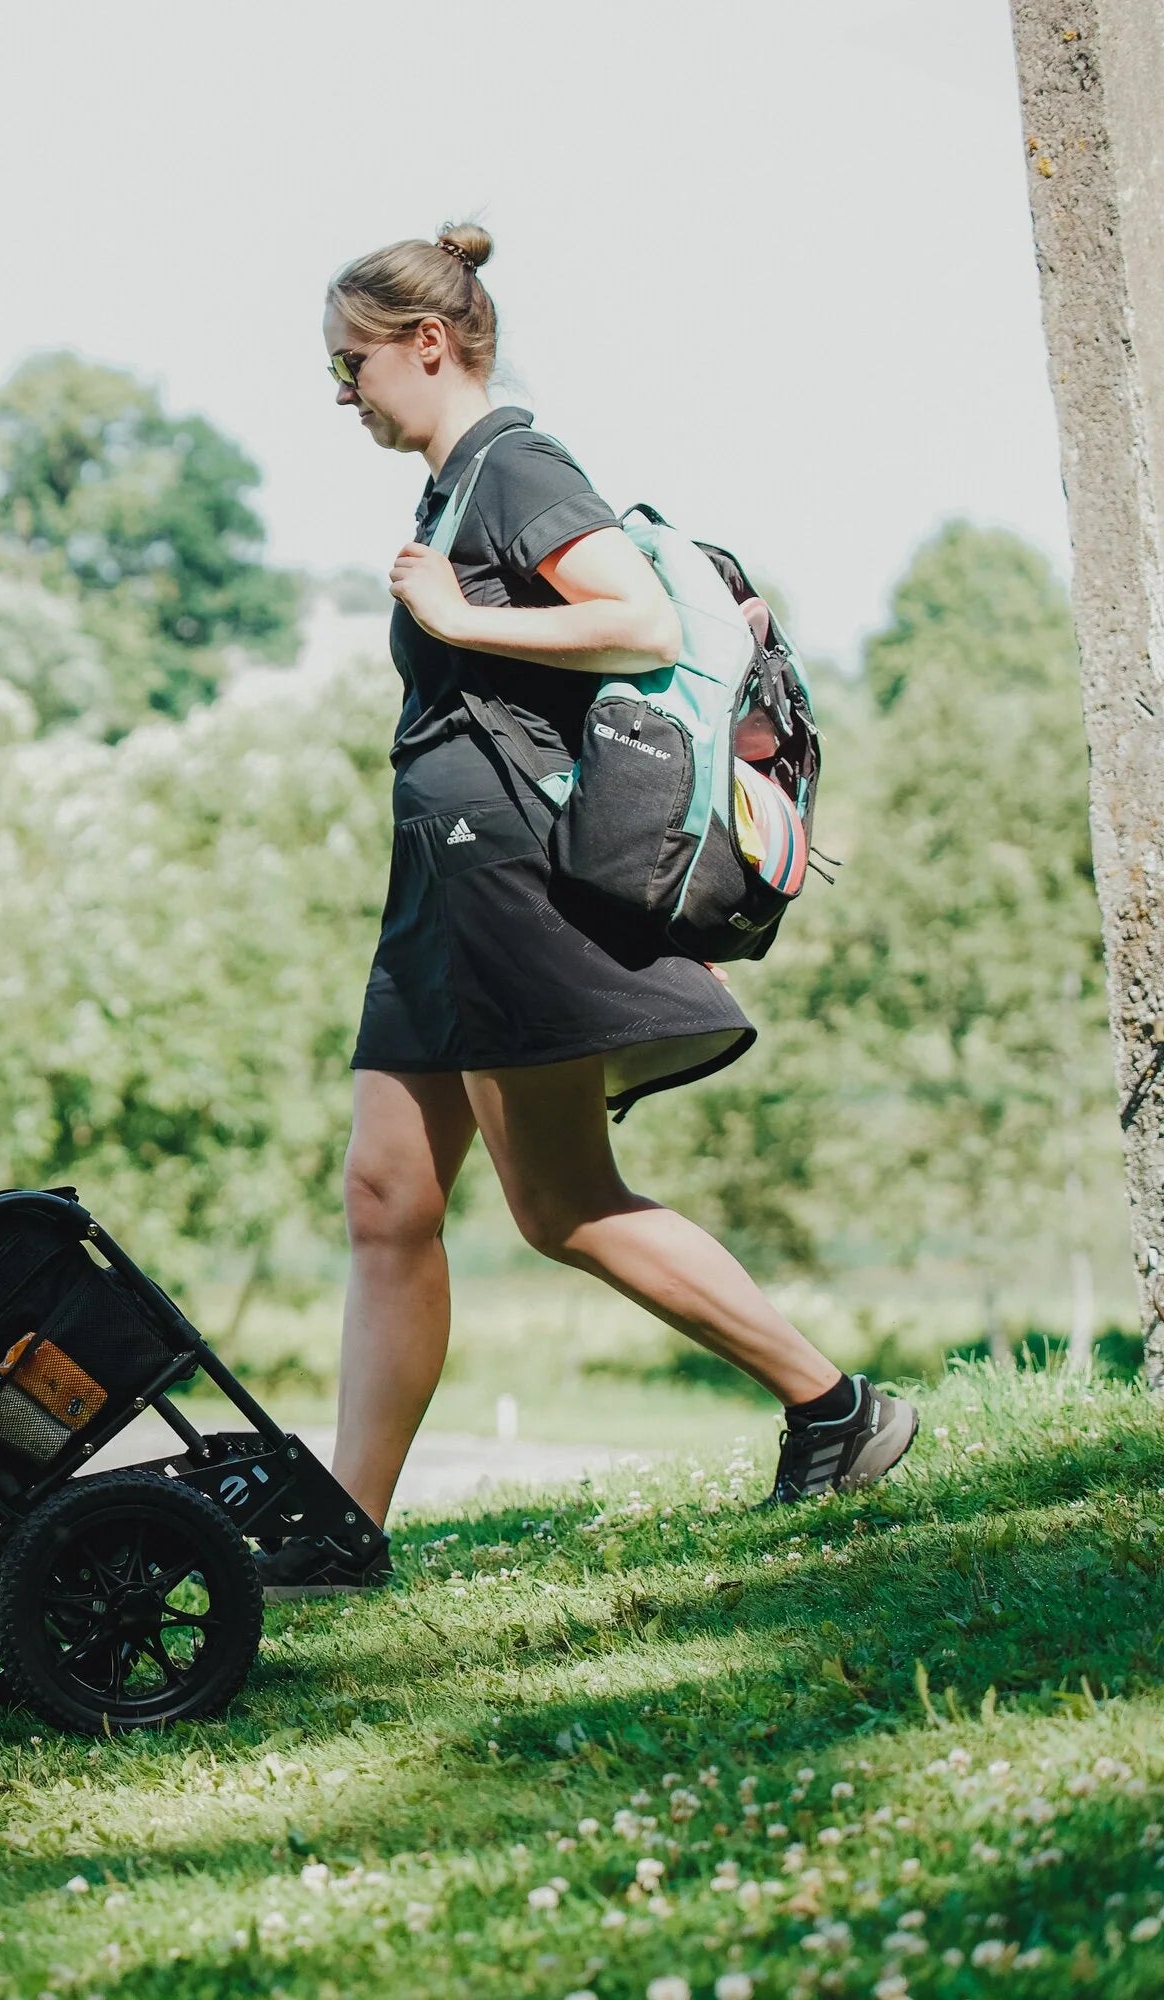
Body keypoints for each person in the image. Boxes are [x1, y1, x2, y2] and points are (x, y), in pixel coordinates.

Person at [262, 225, 917, 1595]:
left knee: (559, 1202)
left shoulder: (517, 468)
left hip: (510, 880)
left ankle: (837, 1407)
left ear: (427, 343)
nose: (343, 392)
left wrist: (454, 615)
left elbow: (639, 623)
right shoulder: (458, 487)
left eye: (354, 361)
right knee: (386, 1200)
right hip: (442, 880)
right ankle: (344, 1528)